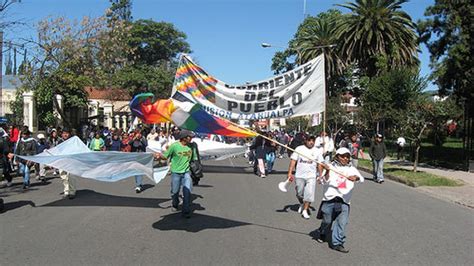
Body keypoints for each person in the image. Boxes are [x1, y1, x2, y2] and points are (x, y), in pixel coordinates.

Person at [315, 147, 364, 253]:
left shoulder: (352, 169)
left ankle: (338, 243)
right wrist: (327, 171)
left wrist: (356, 178)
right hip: (329, 199)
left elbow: (361, 179)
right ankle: (323, 232)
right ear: (337, 156)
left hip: (344, 201)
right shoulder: (329, 167)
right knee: (327, 221)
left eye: (347, 156)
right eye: (342, 156)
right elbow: (322, 181)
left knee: (342, 222)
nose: (345, 158)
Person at [155, 130, 194, 218]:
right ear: (184, 138)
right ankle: (175, 203)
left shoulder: (191, 146)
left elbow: (193, 159)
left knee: (187, 191)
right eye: (189, 137)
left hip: (186, 172)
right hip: (176, 172)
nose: (191, 138)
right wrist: (158, 156)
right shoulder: (174, 146)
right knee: (175, 192)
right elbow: (165, 156)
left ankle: (186, 210)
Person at [287, 135, 324, 219]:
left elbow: (320, 164)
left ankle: (305, 210)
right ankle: (302, 203)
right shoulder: (299, 149)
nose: (311, 142)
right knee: (299, 193)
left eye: (313, 141)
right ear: (305, 141)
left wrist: (320, 175)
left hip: (311, 176)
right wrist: (289, 173)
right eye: (309, 140)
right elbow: (293, 161)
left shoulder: (317, 151)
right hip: (300, 175)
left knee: (309, 194)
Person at [58, 128, 76, 199]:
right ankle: (66, 191)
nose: (65, 135)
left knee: (71, 177)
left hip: (71, 161)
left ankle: (72, 191)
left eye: (66, 133)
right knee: (63, 176)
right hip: (62, 161)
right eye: (63, 133)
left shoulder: (73, 141)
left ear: (69, 134)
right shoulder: (60, 141)